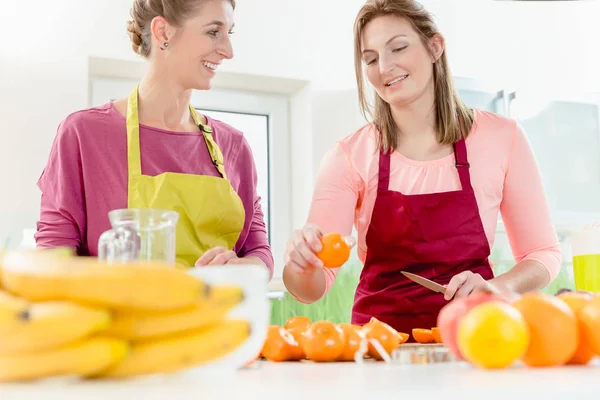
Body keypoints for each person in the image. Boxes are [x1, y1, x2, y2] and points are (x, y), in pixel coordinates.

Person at [282, 0, 561, 334]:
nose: (384, 67)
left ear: (434, 47)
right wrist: (302, 265)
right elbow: (311, 289)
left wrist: (499, 287)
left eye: (398, 47)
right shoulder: (349, 155)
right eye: (370, 59)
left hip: (477, 342)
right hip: (379, 353)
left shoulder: (502, 137)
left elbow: (543, 253)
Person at [35, 0, 274, 278]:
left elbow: (260, 252)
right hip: (123, 320)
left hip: (218, 319)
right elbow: (53, 258)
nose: (228, 51)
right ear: (163, 32)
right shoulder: (83, 134)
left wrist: (243, 268)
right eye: (213, 32)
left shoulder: (233, 145)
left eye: (229, 33)